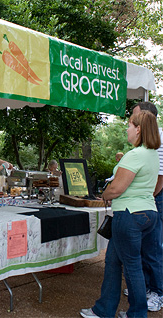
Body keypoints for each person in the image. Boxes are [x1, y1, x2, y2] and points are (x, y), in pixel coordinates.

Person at [80, 110, 161, 318]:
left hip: (129, 214)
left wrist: (105, 193)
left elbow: (116, 189)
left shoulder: (135, 155)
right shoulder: (152, 154)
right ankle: (104, 309)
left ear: (139, 129)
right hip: (147, 212)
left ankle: (137, 314)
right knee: (114, 261)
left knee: (132, 267)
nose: (127, 129)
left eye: (130, 125)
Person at [124, 101, 163, 312]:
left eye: (134, 117)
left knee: (154, 247)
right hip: (148, 198)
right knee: (144, 246)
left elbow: (159, 178)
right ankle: (144, 287)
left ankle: (157, 292)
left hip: (155, 198)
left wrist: (147, 196)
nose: (131, 121)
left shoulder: (159, 139)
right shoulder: (144, 142)